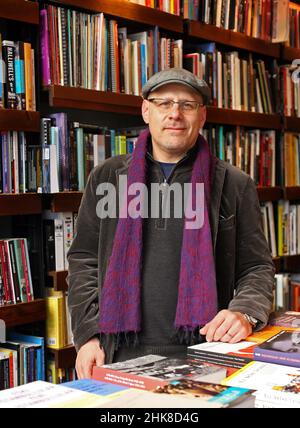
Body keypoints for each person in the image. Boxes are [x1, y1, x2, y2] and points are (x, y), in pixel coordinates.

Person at [67, 68, 275, 379]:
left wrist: (244, 312)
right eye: (164, 103)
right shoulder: (107, 177)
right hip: (117, 352)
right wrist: (89, 334)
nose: (174, 114)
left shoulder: (233, 183)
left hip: (207, 353)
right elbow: (83, 261)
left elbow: (256, 267)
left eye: (187, 105)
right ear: (146, 110)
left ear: (201, 116)